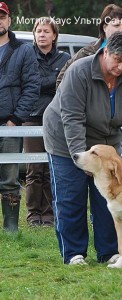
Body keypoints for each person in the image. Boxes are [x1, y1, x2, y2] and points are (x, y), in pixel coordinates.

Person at [43, 31, 122, 265]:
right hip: (65, 139)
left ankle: (110, 252)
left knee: (110, 199)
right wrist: (84, 159)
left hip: (106, 143)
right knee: (71, 197)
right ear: (105, 50)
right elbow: (71, 118)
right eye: (117, 60)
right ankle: (73, 253)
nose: (121, 67)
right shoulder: (79, 71)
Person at [56, 3, 122, 147]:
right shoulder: (86, 54)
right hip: (93, 128)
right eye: (116, 25)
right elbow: (63, 79)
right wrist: (80, 109)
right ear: (104, 27)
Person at [23, 17, 70, 228]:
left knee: (53, 167)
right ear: (34, 34)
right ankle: (33, 215)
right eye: (38, 31)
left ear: (54, 35)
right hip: (31, 118)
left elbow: (65, 87)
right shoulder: (24, 55)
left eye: (46, 31)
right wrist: (48, 83)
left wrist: (40, 84)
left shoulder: (64, 58)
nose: (42, 34)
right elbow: (28, 84)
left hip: (56, 119)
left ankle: (49, 214)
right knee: (34, 169)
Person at [0, 2, 40, 232]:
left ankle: (11, 229)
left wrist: (16, 118)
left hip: (10, 125)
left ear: (9, 19)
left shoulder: (24, 50)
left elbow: (32, 86)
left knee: (10, 180)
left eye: (2, 16)